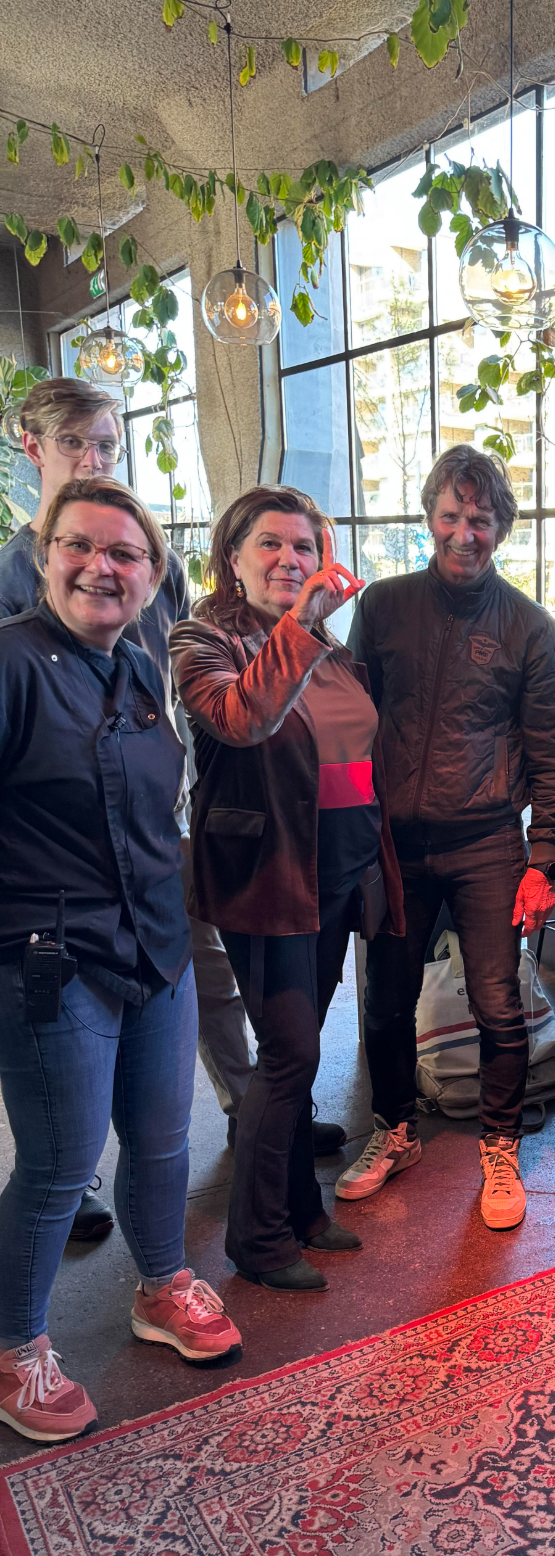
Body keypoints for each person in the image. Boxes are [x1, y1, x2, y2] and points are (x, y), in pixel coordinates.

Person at [0, 378, 319, 1248]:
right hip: (56, 886)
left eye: (107, 443)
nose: (94, 458)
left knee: (192, 1010)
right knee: (62, 1125)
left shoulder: (150, 624)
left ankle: (243, 1114)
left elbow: (169, 697)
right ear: (34, 450)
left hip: (160, 833)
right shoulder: (15, 614)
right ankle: (72, 1178)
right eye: (77, 444)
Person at [0, 477, 242, 1445]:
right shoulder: (10, 663)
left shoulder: (141, 665)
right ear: (46, 556)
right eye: (80, 546)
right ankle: (16, 1344)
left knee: (162, 1138)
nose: (101, 567)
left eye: (124, 553)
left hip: (156, 944)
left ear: (151, 576)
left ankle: (161, 1283)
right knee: (61, 1164)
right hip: (50, 958)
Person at [170, 488, 404, 1292]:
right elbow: (241, 719)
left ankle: (302, 1209)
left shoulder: (327, 644)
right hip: (269, 877)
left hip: (338, 873)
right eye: (269, 543)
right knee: (292, 1052)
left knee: (295, 1058)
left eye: (304, 546)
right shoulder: (203, 639)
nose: (289, 559)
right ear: (232, 557)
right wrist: (300, 625)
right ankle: (258, 1238)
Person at [342, 445, 555, 1230]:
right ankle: (396, 1131)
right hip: (394, 845)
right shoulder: (383, 606)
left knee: (498, 1005)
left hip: (487, 845)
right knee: (386, 1000)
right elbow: (352, 719)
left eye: (480, 520)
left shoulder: (530, 628)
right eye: (450, 516)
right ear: (429, 517)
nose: (464, 533)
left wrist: (543, 860)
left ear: (501, 528)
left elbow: (552, 754)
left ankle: (500, 1145)